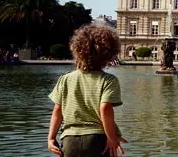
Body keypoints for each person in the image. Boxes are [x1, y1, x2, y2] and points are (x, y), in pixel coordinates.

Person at [47, 25, 127, 157]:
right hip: (97, 140)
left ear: (78, 51)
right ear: (108, 55)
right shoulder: (108, 80)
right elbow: (105, 108)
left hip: (69, 140)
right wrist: (112, 138)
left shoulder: (65, 79)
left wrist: (51, 138)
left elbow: (57, 111)